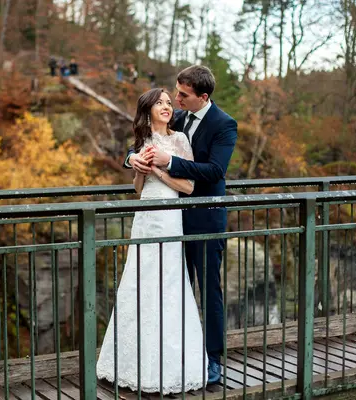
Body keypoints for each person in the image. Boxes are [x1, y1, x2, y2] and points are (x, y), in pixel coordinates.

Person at [124, 65, 238, 385]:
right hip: (170, 222)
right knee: (172, 291)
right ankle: (173, 355)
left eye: (183, 95)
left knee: (207, 289)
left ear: (203, 97)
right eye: (176, 92)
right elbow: (149, 140)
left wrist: (168, 163)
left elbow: (215, 170)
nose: (176, 99)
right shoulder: (179, 117)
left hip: (204, 219)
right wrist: (131, 159)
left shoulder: (224, 124)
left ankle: (213, 358)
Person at [96, 88, 208, 395]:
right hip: (144, 219)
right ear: (147, 109)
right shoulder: (143, 141)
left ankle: (170, 366)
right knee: (139, 282)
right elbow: (137, 188)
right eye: (160, 102)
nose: (167, 106)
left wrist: (160, 168)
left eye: (169, 103)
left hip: (169, 216)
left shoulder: (180, 140)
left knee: (169, 284)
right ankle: (131, 363)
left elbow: (187, 187)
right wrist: (139, 167)